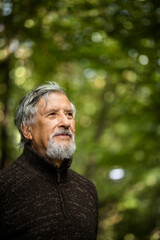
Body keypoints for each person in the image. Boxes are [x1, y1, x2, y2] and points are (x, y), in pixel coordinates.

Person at [0, 82, 98, 240]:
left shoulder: (88, 190)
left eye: (69, 114)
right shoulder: (4, 187)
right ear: (27, 130)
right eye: (52, 114)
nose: (66, 123)